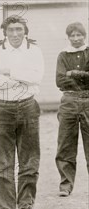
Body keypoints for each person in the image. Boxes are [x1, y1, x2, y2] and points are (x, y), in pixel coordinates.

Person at [0, 15, 44, 209]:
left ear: (25, 31)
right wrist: (22, 79)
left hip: (28, 107)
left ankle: (26, 206)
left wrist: (10, 72)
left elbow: (37, 77)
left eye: (19, 29)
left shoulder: (33, 50)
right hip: (3, 108)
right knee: (3, 161)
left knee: (29, 160)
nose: (15, 34)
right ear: (5, 32)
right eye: (11, 30)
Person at [55, 22, 89, 197]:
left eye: (79, 35)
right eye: (72, 36)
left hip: (88, 100)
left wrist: (74, 74)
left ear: (84, 35)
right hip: (68, 100)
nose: (76, 39)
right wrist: (84, 76)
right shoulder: (63, 55)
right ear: (68, 37)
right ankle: (66, 185)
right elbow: (60, 81)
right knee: (66, 144)